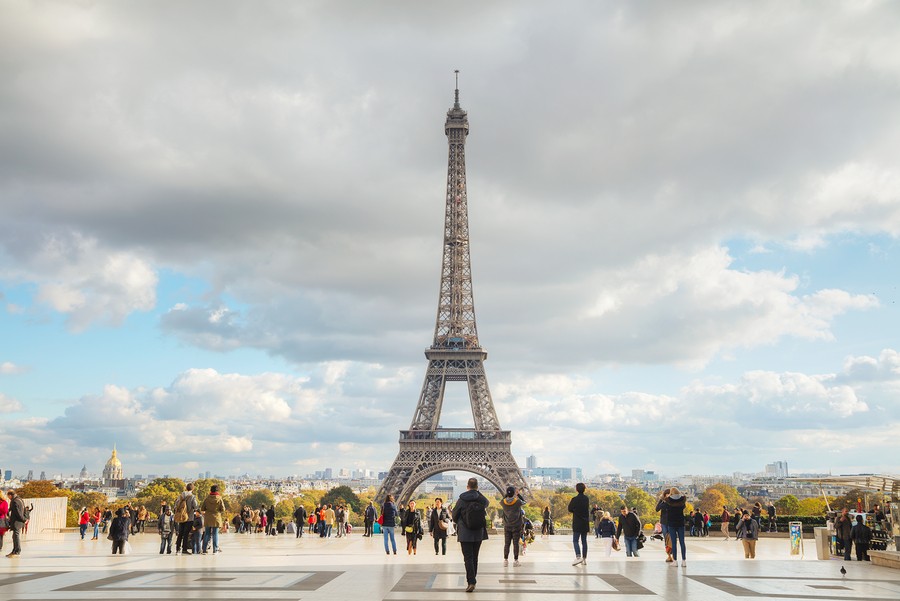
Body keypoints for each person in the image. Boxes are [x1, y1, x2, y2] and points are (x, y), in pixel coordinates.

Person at [452, 477, 490, 593]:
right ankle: (473, 580)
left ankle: (471, 581)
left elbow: (454, 515)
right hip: (478, 531)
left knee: (468, 558)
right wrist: (477, 492)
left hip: (464, 532)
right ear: (477, 487)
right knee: (475, 557)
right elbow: (487, 503)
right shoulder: (480, 498)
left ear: (467, 486)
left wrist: (460, 522)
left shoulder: (462, 498)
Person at [500, 486, 526, 567]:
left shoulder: (503, 502)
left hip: (507, 525)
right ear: (514, 493)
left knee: (507, 543)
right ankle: (515, 560)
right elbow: (524, 502)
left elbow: (503, 499)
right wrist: (517, 494)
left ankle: (505, 560)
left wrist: (507, 495)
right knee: (516, 544)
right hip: (516, 525)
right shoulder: (517, 502)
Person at [568, 482, 590, 566]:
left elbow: (570, 509)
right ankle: (584, 558)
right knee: (584, 541)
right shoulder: (586, 499)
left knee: (575, 540)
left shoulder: (574, 499)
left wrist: (575, 511)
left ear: (576, 489)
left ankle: (578, 556)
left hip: (577, 521)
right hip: (585, 522)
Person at [665, 487, 687, 567]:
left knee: (674, 543)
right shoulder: (682, 500)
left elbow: (665, 507)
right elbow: (684, 507)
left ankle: (675, 561)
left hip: (671, 523)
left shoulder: (668, 501)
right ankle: (684, 561)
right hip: (680, 522)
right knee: (682, 542)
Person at [201, 484, 226, 554]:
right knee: (215, 534)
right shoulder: (219, 498)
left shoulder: (207, 498)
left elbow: (202, 508)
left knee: (207, 534)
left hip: (208, 517)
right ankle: (215, 549)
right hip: (216, 517)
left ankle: (204, 549)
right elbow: (223, 509)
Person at [174, 483, 198, 555]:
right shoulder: (192, 497)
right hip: (189, 517)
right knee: (186, 534)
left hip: (181, 517)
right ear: (192, 489)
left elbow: (176, 505)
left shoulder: (181, 496)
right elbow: (196, 506)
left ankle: (177, 549)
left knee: (180, 533)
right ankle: (184, 549)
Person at [5, 489, 26, 557]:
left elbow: (17, 512)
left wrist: (23, 519)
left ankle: (17, 551)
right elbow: (24, 510)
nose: (8, 498)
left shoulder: (14, 501)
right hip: (19, 521)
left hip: (17, 521)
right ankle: (14, 550)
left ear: (10, 495)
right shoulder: (20, 499)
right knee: (14, 536)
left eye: (8, 496)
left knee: (16, 536)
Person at [656, 489, 673, 562]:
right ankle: (669, 556)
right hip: (663, 522)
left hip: (671, 522)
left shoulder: (673, 501)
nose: (668, 495)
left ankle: (671, 555)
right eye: (666, 494)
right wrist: (662, 501)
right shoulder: (662, 501)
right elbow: (657, 509)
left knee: (671, 539)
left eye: (669, 494)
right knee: (666, 540)